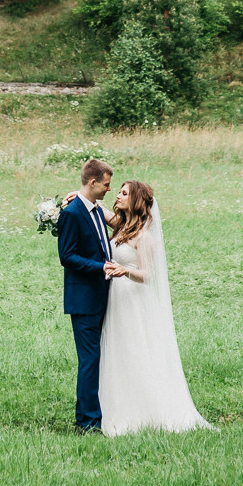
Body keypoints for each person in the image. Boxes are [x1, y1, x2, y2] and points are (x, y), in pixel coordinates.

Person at [98, 179, 211, 436]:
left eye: (124, 193)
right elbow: (100, 211)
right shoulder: (122, 227)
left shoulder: (143, 237)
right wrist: (82, 198)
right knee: (118, 350)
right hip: (117, 298)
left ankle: (144, 411)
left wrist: (125, 270)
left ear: (135, 200)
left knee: (136, 350)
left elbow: (148, 275)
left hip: (133, 300)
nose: (117, 195)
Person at [56, 157, 114, 433]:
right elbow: (67, 257)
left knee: (94, 359)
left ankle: (87, 416)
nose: (108, 189)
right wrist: (101, 267)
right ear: (93, 182)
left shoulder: (95, 209)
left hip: (102, 296)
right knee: (89, 360)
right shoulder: (72, 213)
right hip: (84, 299)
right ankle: (88, 422)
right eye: (105, 185)